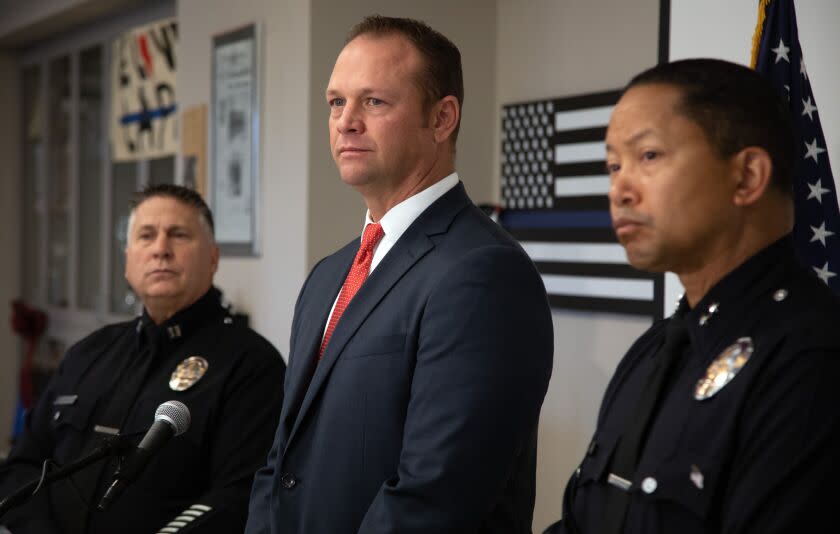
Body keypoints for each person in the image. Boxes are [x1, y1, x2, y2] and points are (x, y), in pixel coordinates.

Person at [245, 15, 553, 534]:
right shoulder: (327, 275)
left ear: (442, 118)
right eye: (337, 102)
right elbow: (280, 463)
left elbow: (437, 494)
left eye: (374, 101)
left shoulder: (483, 272)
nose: (346, 121)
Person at [546, 58, 840, 534]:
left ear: (746, 177)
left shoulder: (809, 359)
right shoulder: (656, 350)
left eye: (649, 157)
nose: (619, 189)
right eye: (613, 165)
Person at [0, 184, 286, 534]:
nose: (161, 250)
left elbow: (239, 497)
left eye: (178, 235)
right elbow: (22, 465)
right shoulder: (88, 353)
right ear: (127, 261)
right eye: (146, 236)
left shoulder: (250, 365)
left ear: (213, 258)